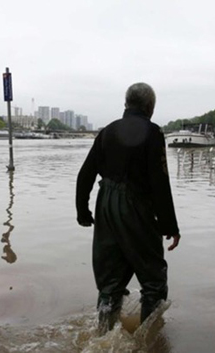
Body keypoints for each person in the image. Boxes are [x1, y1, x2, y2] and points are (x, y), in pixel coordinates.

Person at [75, 82, 180, 333]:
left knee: (110, 282)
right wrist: (169, 226)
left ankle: (102, 337)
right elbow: (159, 182)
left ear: (126, 104)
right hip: (135, 207)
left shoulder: (107, 132)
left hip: (105, 206)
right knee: (153, 279)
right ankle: (150, 341)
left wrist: (83, 212)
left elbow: (85, 174)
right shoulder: (153, 133)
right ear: (149, 107)